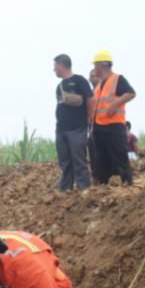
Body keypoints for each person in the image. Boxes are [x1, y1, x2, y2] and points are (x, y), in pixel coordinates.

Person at [89, 52, 136, 185]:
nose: (94, 68)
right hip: (99, 128)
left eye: (95, 65)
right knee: (101, 161)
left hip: (114, 127)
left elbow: (131, 93)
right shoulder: (99, 85)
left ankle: (127, 183)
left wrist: (114, 104)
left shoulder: (117, 79)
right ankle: (105, 185)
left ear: (102, 65)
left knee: (120, 157)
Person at [53, 54, 94, 191]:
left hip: (77, 128)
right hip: (61, 129)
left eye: (55, 66)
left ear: (61, 65)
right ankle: (66, 190)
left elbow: (89, 99)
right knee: (65, 161)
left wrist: (90, 118)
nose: (54, 70)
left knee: (79, 159)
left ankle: (84, 189)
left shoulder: (79, 81)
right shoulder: (59, 86)